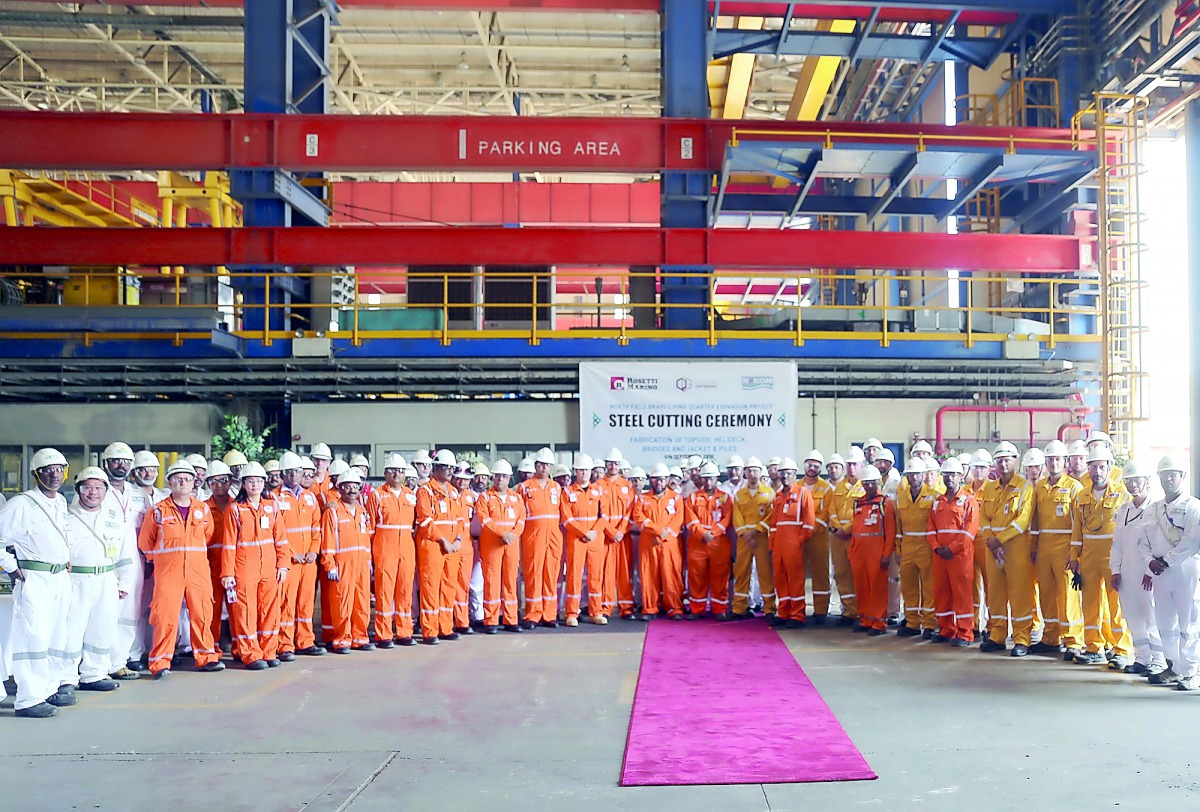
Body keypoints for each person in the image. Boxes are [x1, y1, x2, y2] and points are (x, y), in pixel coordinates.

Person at [0, 449, 75, 717]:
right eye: (47, 470)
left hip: (59, 579)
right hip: (35, 579)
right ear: (36, 474)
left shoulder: (60, 503)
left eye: (58, 469)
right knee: (34, 637)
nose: (54, 475)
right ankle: (28, 699)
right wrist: (12, 567)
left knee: (57, 637)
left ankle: (48, 688)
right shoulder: (22, 504)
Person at [137, 460, 223, 679]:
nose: (183, 483)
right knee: (165, 616)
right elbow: (146, 543)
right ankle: (160, 663)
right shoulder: (158, 511)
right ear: (169, 483)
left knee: (202, 613)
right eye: (178, 479)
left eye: (187, 479)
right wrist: (164, 562)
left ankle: (206, 658)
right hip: (168, 572)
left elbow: (208, 536)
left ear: (194, 482)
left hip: (198, 571)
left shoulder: (202, 509)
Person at [63, 467, 131, 695]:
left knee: (102, 628)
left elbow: (125, 553)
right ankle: (66, 678)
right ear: (79, 490)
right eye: (88, 487)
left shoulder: (113, 518)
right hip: (76, 580)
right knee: (72, 630)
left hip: (106, 579)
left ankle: (95, 674)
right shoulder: (66, 518)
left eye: (99, 488)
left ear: (106, 491)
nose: (93, 493)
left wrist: (124, 583)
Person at [221, 462, 289, 670]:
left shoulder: (272, 506)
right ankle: (250, 653)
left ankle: (268, 651)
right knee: (246, 611)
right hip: (244, 568)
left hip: (269, 568)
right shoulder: (235, 509)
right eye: (251, 481)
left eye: (259, 481)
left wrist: (283, 564)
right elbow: (229, 543)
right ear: (243, 484)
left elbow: (281, 538)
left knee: (270, 611)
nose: (255, 485)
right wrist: (228, 573)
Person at [1068, 445, 1133, 666]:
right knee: (1090, 605)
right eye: (1093, 467)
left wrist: (1126, 558)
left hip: (1113, 557)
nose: (1097, 471)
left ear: (1109, 468)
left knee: (1116, 605)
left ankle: (1121, 649)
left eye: (1101, 467)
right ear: (1088, 468)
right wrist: (1074, 556)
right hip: (1088, 558)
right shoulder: (1082, 495)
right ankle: (1094, 647)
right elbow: (1077, 530)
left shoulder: (1121, 493)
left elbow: (1127, 527)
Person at [99, 441, 155, 679]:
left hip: (136, 558)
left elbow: (151, 528)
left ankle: (128, 657)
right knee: (106, 610)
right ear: (106, 463)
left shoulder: (139, 495)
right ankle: (106, 662)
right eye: (115, 460)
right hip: (105, 557)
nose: (120, 465)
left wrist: (150, 558)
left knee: (133, 611)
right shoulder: (97, 490)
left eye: (125, 461)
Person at [1145, 455, 1200, 689]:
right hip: (1160, 573)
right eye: (1165, 475)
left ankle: (1191, 672)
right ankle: (1174, 667)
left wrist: (1166, 561)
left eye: (1173, 474)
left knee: (1188, 622)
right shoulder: (1154, 509)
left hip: (1185, 569)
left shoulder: (1193, 506)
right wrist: (1149, 562)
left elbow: (1191, 541)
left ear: (1182, 477)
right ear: (1158, 478)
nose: (1169, 479)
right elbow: (1142, 540)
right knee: (1165, 621)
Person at [978, 442, 1035, 656]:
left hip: (1015, 549)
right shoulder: (989, 488)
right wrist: (990, 539)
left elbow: (1023, 520)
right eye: (999, 460)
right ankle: (997, 636)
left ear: (1015, 461)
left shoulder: (1025, 488)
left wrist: (999, 539)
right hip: (993, 550)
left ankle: (1022, 639)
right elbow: (983, 517)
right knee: (995, 593)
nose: (1003, 464)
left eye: (1007, 459)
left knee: (1019, 594)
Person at [1029, 439, 1084, 658]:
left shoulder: (1074, 487)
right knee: (1047, 595)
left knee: (1068, 596)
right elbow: (1035, 521)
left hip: (1065, 549)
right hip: (1043, 549)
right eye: (1050, 460)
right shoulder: (1040, 486)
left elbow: (1078, 524)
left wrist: (1075, 554)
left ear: (1065, 462)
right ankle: (1050, 638)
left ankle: (1073, 641)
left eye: (1057, 459)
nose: (1053, 463)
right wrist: (1033, 546)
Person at [1109, 461, 1165, 676]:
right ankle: (1141, 657)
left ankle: (1159, 661)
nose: (1133, 485)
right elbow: (1117, 544)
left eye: (1137, 480)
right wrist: (1115, 570)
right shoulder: (1123, 510)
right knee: (1132, 617)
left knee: (1152, 617)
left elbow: (1158, 544)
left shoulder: (1156, 509)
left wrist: (1151, 572)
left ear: (1147, 482)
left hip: (1147, 575)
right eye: (1129, 481)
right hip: (1127, 574)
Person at [275, 451, 324, 659]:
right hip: (289, 561)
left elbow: (316, 528)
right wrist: (292, 553)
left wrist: (313, 551)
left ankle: (305, 641)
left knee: (306, 602)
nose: (294, 475)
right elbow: (277, 532)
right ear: (282, 474)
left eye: (297, 471)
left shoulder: (310, 497)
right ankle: (285, 644)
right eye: (289, 472)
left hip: (308, 561)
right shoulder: (275, 498)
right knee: (286, 602)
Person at [320, 468, 375, 652]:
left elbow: (366, 538)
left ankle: (360, 637)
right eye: (348, 487)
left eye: (356, 487)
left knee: (362, 601)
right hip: (341, 564)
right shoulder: (333, 512)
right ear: (340, 488)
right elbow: (327, 540)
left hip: (361, 564)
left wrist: (368, 561)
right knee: (342, 602)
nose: (352, 490)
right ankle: (342, 639)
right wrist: (330, 565)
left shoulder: (361, 511)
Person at [927, 458, 980, 647]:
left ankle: (965, 633)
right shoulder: (937, 502)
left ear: (961, 476)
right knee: (942, 593)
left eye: (953, 474)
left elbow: (969, 531)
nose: (949, 478)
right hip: (940, 556)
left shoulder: (969, 501)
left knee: (962, 594)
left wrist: (952, 549)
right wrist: (936, 547)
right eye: (946, 474)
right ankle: (946, 629)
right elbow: (931, 528)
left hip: (960, 557)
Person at [367, 453, 417, 648]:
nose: (397, 474)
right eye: (393, 470)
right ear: (385, 473)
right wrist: (370, 555)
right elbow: (370, 527)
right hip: (384, 548)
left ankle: (404, 632)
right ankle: (384, 634)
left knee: (405, 590)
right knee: (384, 592)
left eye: (401, 471)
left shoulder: (410, 495)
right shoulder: (377, 495)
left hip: (406, 547)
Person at [415, 450, 464, 643]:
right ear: (435, 468)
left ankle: (445, 626)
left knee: (449, 587)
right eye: (446, 467)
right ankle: (430, 630)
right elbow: (425, 521)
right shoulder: (425, 491)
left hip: (452, 547)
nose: (450, 471)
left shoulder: (452, 492)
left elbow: (460, 519)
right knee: (430, 587)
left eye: (452, 467)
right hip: (433, 546)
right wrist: (444, 541)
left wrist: (458, 539)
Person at [476, 459, 526, 633]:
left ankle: (511, 619)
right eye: (497, 476)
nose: (499, 480)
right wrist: (501, 534)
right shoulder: (485, 497)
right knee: (492, 582)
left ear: (509, 478)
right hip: (492, 545)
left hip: (511, 544)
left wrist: (512, 535)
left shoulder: (517, 498)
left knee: (511, 581)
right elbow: (485, 520)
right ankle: (491, 620)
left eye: (503, 476)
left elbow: (521, 520)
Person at [516, 448, 564, 629]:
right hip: (532, 537)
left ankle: (550, 614)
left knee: (551, 574)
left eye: (547, 465)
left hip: (553, 537)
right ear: (536, 466)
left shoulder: (556, 488)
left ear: (551, 467)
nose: (544, 468)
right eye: (541, 464)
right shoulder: (525, 487)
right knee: (533, 574)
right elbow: (519, 513)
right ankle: (532, 614)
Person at [631, 463, 685, 620]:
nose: (659, 483)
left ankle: (674, 608)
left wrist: (662, 535)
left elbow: (678, 519)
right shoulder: (643, 499)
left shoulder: (676, 498)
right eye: (655, 480)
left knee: (671, 575)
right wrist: (657, 531)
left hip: (669, 544)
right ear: (651, 480)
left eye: (661, 479)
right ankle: (650, 608)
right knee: (649, 576)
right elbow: (639, 518)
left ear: (667, 479)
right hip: (649, 543)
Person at [561, 454, 608, 627]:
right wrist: (583, 532)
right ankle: (572, 613)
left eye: (587, 470)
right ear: (575, 471)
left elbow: (604, 516)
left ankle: (596, 611)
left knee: (596, 576)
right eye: (581, 470)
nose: (584, 474)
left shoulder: (599, 491)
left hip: (595, 539)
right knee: (574, 576)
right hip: (577, 539)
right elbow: (567, 518)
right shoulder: (567, 492)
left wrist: (594, 532)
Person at [849, 465, 896, 636]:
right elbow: (855, 529)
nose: (868, 487)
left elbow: (890, 533)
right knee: (861, 586)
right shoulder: (858, 503)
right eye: (865, 483)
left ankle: (878, 622)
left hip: (877, 552)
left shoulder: (886, 504)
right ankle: (865, 619)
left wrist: (886, 555)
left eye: (871, 483)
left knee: (877, 587)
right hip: (859, 552)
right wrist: (852, 552)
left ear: (878, 483)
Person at [769, 458, 815, 629]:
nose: (785, 476)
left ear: (795, 475)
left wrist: (799, 541)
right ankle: (783, 612)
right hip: (779, 546)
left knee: (795, 580)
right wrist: (772, 545)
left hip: (794, 545)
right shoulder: (778, 496)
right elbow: (774, 524)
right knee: (780, 579)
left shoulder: (803, 493)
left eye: (789, 473)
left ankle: (797, 615)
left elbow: (809, 522)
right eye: (782, 473)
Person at [895, 457, 938, 639]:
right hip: (907, 548)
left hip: (926, 548)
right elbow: (898, 526)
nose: (914, 477)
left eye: (918, 474)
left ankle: (929, 624)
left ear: (924, 474)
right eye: (911, 474)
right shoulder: (901, 496)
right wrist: (898, 549)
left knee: (929, 587)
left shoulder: (933, 496)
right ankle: (912, 622)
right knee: (909, 587)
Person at [684, 461, 733, 619]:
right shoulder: (692, 497)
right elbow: (690, 519)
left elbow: (728, 518)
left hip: (719, 543)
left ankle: (719, 609)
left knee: (720, 577)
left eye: (711, 478)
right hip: (698, 542)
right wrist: (702, 533)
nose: (708, 482)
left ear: (716, 478)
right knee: (696, 576)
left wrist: (714, 533)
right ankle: (697, 608)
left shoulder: (725, 497)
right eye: (705, 478)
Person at [732, 456, 776, 620]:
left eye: (755, 470)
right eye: (749, 471)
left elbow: (771, 515)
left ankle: (769, 608)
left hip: (761, 538)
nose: (752, 473)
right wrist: (745, 533)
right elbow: (736, 517)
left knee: (765, 573)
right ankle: (739, 608)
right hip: (744, 539)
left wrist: (756, 531)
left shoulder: (769, 493)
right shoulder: (739, 495)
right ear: (745, 473)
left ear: (760, 472)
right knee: (742, 572)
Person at [830, 448, 866, 626]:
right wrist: (838, 528)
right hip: (838, 538)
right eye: (849, 464)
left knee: (858, 574)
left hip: (856, 537)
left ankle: (862, 611)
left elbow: (863, 514)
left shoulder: (865, 487)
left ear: (862, 465)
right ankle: (849, 611)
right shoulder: (839, 487)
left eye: (855, 464)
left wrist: (847, 529)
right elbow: (831, 510)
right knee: (842, 573)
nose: (851, 468)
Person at [599, 448, 635, 621]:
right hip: (605, 537)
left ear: (620, 465)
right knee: (606, 572)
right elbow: (598, 513)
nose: (613, 466)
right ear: (606, 465)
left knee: (624, 572)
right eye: (610, 463)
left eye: (616, 463)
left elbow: (630, 512)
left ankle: (626, 607)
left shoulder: (627, 486)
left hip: (623, 537)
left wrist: (620, 531)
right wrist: (611, 531)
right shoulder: (598, 486)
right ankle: (606, 607)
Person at [203, 460, 235, 653]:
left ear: (230, 481)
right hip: (211, 566)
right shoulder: (203, 508)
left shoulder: (239, 505)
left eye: (223, 480)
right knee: (212, 609)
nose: (219, 485)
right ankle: (212, 648)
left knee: (237, 609)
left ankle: (240, 647)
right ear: (208, 484)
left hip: (235, 566)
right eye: (213, 482)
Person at [800, 451, 834, 624]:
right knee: (797, 573)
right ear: (804, 465)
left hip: (819, 537)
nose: (812, 468)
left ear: (820, 468)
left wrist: (810, 528)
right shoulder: (796, 486)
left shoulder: (827, 488)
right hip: (798, 538)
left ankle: (821, 610)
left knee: (821, 572)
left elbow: (826, 513)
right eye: (809, 464)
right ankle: (798, 609)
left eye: (815, 465)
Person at [965, 448, 993, 636]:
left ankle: (993, 626)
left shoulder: (994, 489)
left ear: (989, 469)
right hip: (968, 543)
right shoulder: (965, 491)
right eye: (975, 467)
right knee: (970, 584)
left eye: (982, 467)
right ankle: (973, 624)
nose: (978, 471)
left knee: (991, 586)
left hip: (987, 543)